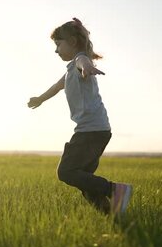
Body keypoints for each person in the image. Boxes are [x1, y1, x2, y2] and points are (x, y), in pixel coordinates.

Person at [27, 17, 132, 216]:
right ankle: (112, 215)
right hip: (97, 130)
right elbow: (58, 87)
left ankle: (114, 189)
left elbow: (83, 60)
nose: (56, 50)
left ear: (73, 42)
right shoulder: (69, 70)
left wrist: (87, 67)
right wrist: (40, 99)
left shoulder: (79, 61)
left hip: (91, 131)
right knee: (84, 180)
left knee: (66, 172)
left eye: (58, 44)